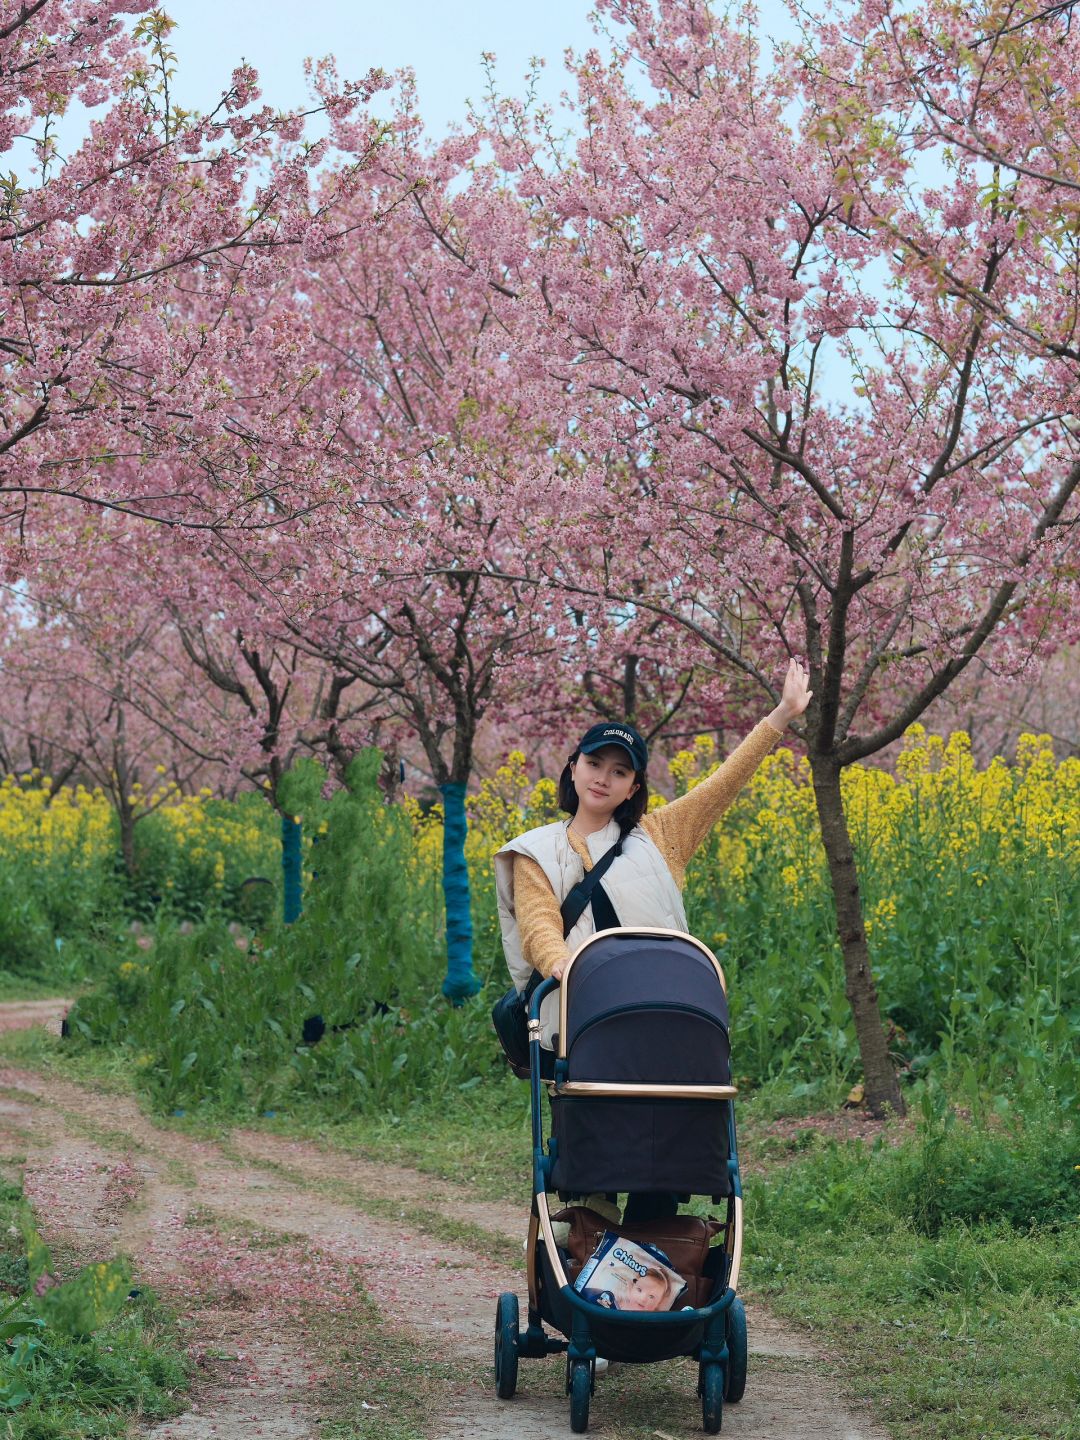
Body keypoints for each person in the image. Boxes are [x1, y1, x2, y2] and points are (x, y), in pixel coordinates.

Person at [494, 657, 812, 1228]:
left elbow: (724, 784)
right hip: (586, 1019)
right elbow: (539, 924)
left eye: (620, 771)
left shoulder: (661, 835)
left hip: (663, 1019)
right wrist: (563, 964)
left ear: (635, 785)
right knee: (601, 1130)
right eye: (594, 763)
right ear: (572, 769)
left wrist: (782, 716)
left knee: (669, 1139)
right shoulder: (535, 851)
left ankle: (659, 1250)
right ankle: (594, 1237)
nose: (603, 777)